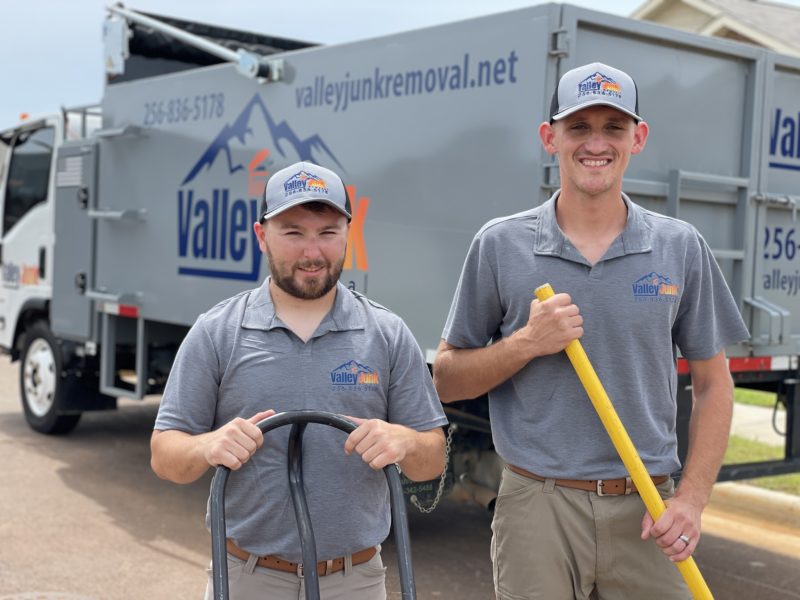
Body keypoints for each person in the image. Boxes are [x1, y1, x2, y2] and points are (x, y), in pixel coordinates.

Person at [433, 62, 749, 599]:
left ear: (638, 138)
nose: (595, 143)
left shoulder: (680, 247)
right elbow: (446, 380)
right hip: (537, 504)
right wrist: (526, 344)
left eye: (613, 127)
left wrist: (691, 501)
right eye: (578, 127)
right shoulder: (501, 245)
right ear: (549, 138)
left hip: (650, 506)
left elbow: (715, 383)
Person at [151, 160, 447, 600]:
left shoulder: (386, 334)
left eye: (327, 232)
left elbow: (433, 459)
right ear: (261, 236)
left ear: (349, 233)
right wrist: (205, 445)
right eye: (293, 232)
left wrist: (404, 440)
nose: (312, 252)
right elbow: (164, 456)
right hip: (248, 578)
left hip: (357, 581)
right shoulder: (217, 332)